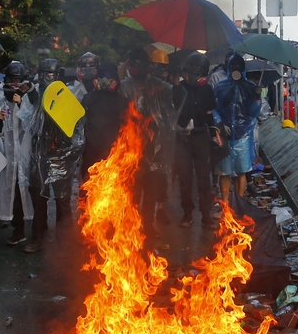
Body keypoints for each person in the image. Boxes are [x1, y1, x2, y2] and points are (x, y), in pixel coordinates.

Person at [24, 58, 83, 253]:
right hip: (39, 157)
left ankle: (65, 240)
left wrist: (69, 152)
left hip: (60, 157)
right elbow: (27, 124)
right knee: (39, 201)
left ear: (58, 75)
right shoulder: (36, 97)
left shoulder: (67, 97)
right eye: (42, 74)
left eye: (48, 74)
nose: (44, 78)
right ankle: (38, 239)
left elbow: (76, 128)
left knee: (63, 201)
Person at [120, 48, 177, 238]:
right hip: (131, 146)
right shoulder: (124, 87)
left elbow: (175, 96)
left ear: (148, 65)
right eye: (133, 62)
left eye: (140, 62)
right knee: (133, 192)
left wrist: (175, 79)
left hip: (153, 147)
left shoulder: (158, 85)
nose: (137, 66)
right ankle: (134, 225)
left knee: (151, 190)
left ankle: (148, 224)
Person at [0, 61, 34, 246]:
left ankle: (30, 229)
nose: (14, 84)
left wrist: (19, 106)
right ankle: (17, 229)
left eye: (18, 80)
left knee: (26, 192)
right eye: (11, 79)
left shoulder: (27, 101)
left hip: (26, 156)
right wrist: (0, 120)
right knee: (10, 193)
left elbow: (29, 127)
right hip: (10, 155)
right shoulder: (1, 102)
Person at [174, 53, 217, 229]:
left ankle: (206, 215)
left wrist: (214, 134)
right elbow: (173, 109)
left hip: (201, 137)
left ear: (204, 73)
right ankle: (187, 213)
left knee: (203, 179)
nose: (193, 73)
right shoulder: (179, 88)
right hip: (182, 138)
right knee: (184, 177)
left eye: (197, 70)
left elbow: (210, 116)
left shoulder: (207, 90)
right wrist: (175, 86)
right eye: (190, 69)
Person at [213, 53, 261, 201]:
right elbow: (213, 107)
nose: (236, 70)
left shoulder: (250, 87)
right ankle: (226, 205)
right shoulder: (220, 87)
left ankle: (239, 203)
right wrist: (219, 122)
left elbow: (253, 113)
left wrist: (257, 98)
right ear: (228, 68)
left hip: (243, 135)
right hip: (224, 134)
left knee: (242, 171)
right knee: (224, 171)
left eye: (239, 67)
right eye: (233, 67)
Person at [81, 61, 128, 176]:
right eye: (101, 75)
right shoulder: (88, 98)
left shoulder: (122, 101)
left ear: (115, 77)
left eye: (108, 75)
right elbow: (79, 125)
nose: (104, 79)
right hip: (90, 154)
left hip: (113, 155)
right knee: (89, 189)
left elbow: (129, 129)